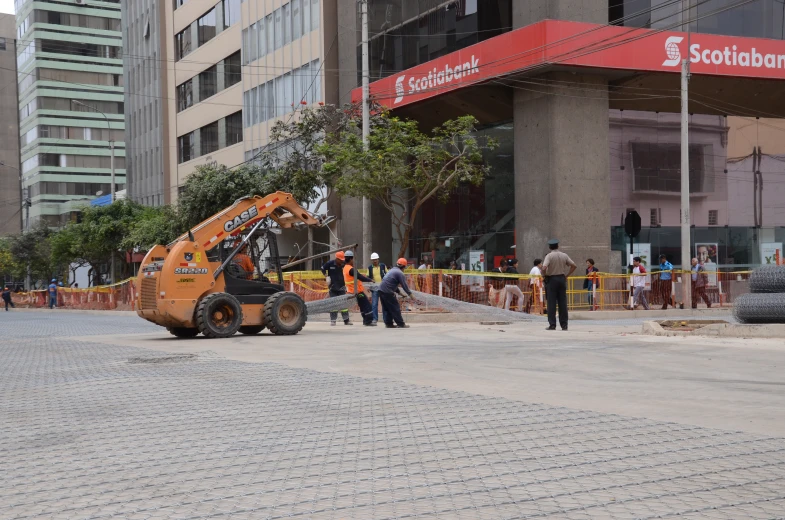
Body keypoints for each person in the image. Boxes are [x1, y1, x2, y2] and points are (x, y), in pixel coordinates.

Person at [541, 239, 576, 331]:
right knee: (563, 303)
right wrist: (567, 275)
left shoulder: (549, 256)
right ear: (558, 246)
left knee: (551, 303)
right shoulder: (564, 255)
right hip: (561, 279)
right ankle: (564, 325)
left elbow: (544, 267)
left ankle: (552, 324)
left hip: (552, 280)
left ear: (549, 247)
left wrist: (543, 275)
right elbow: (574, 265)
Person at [378, 258, 413, 328]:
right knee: (395, 307)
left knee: (386, 308)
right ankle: (400, 324)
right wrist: (410, 294)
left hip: (381, 290)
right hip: (387, 292)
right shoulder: (400, 273)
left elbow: (392, 284)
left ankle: (388, 323)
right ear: (404, 267)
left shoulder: (392, 270)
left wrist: (400, 293)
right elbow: (404, 285)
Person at [344, 250, 375, 326]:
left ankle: (365, 320)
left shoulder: (345, 268)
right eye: (353, 259)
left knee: (362, 306)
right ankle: (368, 321)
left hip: (352, 291)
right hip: (357, 291)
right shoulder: (351, 269)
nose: (353, 261)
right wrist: (370, 280)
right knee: (367, 305)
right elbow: (360, 277)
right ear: (351, 259)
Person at [321, 252, 352, 325]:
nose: (341, 261)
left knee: (344, 304)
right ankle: (333, 320)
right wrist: (326, 276)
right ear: (337, 259)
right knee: (334, 304)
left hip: (342, 286)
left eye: (342, 260)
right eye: (340, 260)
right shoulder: (330, 263)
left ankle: (346, 320)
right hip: (333, 287)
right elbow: (322, 268)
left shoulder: (343, 264)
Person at [367, 252, 387, 325]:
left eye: (375, 259)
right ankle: (375, 319)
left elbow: (387, 275)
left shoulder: (383, 266)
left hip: (383, 288)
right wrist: (369, 286)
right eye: (373, 260)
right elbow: (368, 278)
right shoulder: (369, 268)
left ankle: (386, 319)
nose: (374, 261)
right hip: (374, 288)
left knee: (384, 304)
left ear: (378, 259)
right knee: (374, 304)